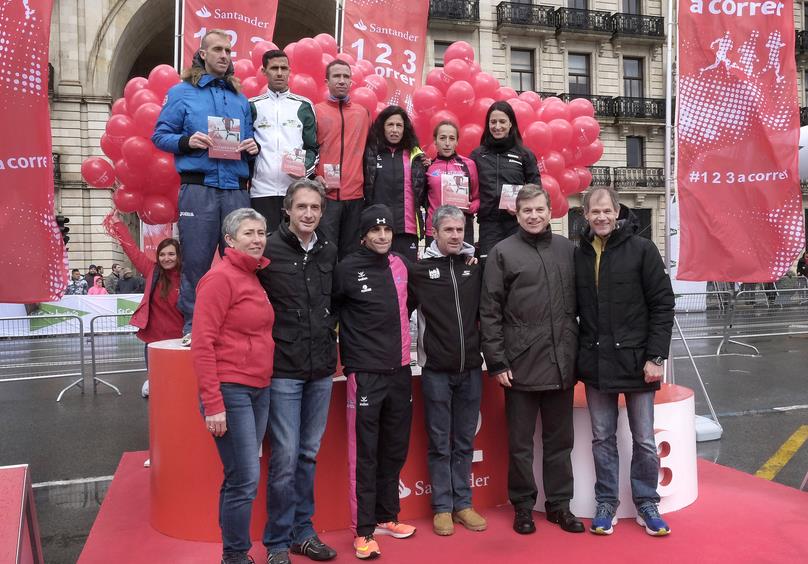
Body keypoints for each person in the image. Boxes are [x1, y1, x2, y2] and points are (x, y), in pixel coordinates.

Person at [479, 184, 583, 536]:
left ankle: (560, 506)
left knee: (559, 443)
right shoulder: (502, 252)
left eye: (540, 209)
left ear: (550, 210)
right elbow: (489, 311)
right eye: (527, 211)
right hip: (519, 365)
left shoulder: (567, 249)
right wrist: (497, 361)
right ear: (517, 214)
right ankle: (523, 507)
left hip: (561, 363)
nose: (535, 216)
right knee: (520, 445)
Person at [574, 186, 675, 537]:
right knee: (602, 438)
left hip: (638, 363)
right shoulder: (580, 254)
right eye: (594, 211)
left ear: (617, 211)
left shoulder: (643, 249)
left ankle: (648, 503)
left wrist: (655, 356)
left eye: (606, 210)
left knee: (644, 439)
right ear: (585, 214)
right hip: (596, 363)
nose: (600, 217)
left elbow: (663, 305)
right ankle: (607, 503)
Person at [152, 29, 259, 341]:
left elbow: (249, 140)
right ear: (202, 54)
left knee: (241, 261)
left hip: (236, 189)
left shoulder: (241, 99)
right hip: (198, 189)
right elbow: (160, 135)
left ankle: (237, 324)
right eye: (217, 50)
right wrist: (187, 140)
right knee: (197, 261)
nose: (224, 55)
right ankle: (193, 326)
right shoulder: (181, 92)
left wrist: (253, 148)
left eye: (228, 50)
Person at [257, 180, 338, 564]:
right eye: (302, 207)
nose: (309, 214)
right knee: (285, 456)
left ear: (322, 211)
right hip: (283, 369)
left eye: (315, 208)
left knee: (307, 454)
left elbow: (336, 302)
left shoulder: (329, 250)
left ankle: (303, 533)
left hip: (321, 368)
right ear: (287, 210)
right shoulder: (266, 250)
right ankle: (276, 542)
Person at [333, 204, 416, 560]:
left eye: (387, 231)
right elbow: (330, 314)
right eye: (375, 231)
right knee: (364, 454)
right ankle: (363, 530)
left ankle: (387, 516)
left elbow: (416, 300)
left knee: (394, 449)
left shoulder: (401, 265)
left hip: (400, 371)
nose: (382, 236)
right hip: (365, 374)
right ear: (363, 235)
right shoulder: (347, 269)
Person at [192, 208, 275, 564]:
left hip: (259, 388)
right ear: (229, 240)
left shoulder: (253, 277)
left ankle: (234, 552)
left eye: (261, 232)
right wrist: (213, 404)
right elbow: (202, 343)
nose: (257, 239)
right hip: (231, 390)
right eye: (248, 234)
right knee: (244, 479)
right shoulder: (220, 279)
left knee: (238, 477)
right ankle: (235, 555)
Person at [408, 205, 486, 536]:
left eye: (460, 230)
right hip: (436, 370)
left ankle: (463, 505)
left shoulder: (475, 268)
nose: (455, 235)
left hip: (471, 368)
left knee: (464, 441)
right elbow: (401, 313)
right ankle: (442, 507)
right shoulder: (420, 271)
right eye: (449, 230)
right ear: (435, 232)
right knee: (440, 442)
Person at [104, 211, 183, 398]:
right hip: (154, 342)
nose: (167, 258)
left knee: (180, 387)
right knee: (159, 388)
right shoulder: (151, 270)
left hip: (180, 341)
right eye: (162, 254)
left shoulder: (188, 277)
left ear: (179, 256)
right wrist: (117, 225)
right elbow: (131, 249)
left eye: (171, 254)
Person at [250, 49, 318, 233]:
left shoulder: (303, 105)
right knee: (264, 243)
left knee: (295, 243)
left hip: (295, 190)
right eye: (274, 68)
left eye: (284, 68)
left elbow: (313, 148)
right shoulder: (253, 105)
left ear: (290, 71)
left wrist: (305, 167)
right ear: (264, 71)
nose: (279, 73)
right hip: (261, 190)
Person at [315, 60, 371, 260]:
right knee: (325, 253)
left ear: (351, 81)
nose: (341, 81)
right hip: (326, 196)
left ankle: (346, 292)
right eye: (336, 76)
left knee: (351, 255)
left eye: (346, 77)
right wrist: (313, 175)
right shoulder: (316, 111)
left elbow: (376, 147)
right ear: (327, 81)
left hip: (355, 196)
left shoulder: (363, 113)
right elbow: (307, 149)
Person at [470, 101, 540, 261]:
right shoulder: (477, 155)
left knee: (517, 267)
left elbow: (536, 190)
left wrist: (522, 207)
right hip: (488, 224)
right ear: (488, 125)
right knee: (489, 267)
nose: (497, 126)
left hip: (516, 223)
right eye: (493, 122)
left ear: (510, 124)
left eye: (502, 121)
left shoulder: (524, 155)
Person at [363, 105, 427, 263]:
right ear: (382, 127)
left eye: (399, 125)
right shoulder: (371, 153)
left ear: (405, 129)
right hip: (378, 230)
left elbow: (423, 190)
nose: (395, 130)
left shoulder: (415, 155)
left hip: (407, 229)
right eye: (390, 125)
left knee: (408, 278)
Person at [425, 121, 479, 247]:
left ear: (457, 142)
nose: (447, 143)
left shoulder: (469, 164)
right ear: (435, 141)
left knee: (463, 267)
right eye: (443, 138)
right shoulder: (428, 167)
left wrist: (471, 207)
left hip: (460, 230)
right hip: (434, 230)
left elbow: (478, 198)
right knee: (435, 266)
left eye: (452, 138)